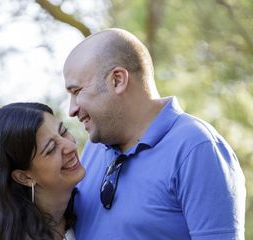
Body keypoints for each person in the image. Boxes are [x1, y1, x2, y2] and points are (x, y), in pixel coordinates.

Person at [63, 28, 246, 239]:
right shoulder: (93, 149)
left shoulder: (197, 148)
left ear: (117, 80)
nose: (72, 109)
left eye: (76, 92)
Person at [0, 102, 85, 240]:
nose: (71, 146)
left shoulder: (88, 202)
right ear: (24, 177)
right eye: (51, 148)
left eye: (63, 132)